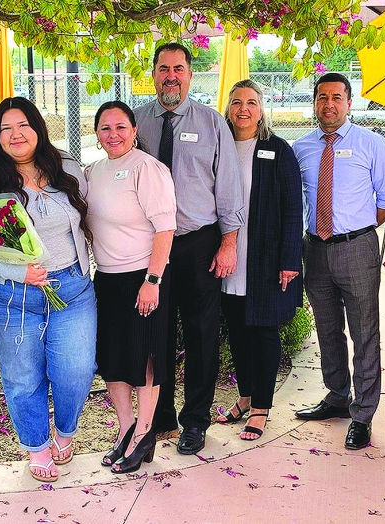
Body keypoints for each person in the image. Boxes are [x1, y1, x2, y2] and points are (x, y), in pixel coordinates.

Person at [0, 97, 97, 483]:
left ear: (37, 128)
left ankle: (65, 431)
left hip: (71, 287)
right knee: (23, 376)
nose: (15, 135)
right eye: (5, 128)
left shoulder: (67, 166)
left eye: (22, 125)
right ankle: (37, 446)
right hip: (10, 296)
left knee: (77, 369)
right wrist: (14, 272)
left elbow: (92, 217)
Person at [133, 42, 245, 456]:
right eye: (164, 68)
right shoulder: (136, 121)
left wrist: (229, 242)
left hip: (199, 243)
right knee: (155, 333)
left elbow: (229, 186)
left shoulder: (213, 123)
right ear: (154, 73)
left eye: (178, 68)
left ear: (190, 74)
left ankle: (195, 420)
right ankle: (159, 413)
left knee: (201, 335)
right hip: (149, 247)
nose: (171, 76)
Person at [292, 72, 385, 450]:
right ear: (315, 102)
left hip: (357, 248)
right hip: (314, 249)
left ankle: (363, 413)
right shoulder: (301, 147)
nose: (329, 104)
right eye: (322, 97)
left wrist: (353, 229)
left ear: (349, 102)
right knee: (327, 328)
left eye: (337, 97)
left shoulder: (372, 144)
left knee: (364, 331)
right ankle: (337, 395)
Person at [85, 101, 176, 472]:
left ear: (135, 130)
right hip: (106, 278)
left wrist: (152, 281)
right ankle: (125, 430)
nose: (113, 135)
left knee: (144, 358)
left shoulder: (148, 169)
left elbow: (165, 228)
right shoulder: (93, 172)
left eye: (121, 127)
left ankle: (144, 432)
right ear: (96, 134)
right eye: (105, 128)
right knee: (114, 359)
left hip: (144, 277)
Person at [214, 80, 303, 441]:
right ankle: (246, 395)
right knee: (237, 331)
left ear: (262, 108)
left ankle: (262, 406)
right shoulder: (218, 146)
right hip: (227, 256)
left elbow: (293, 208)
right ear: (228, 107)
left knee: (263, 331)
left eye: (251, 102)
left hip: (265, 258)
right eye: (237, 102)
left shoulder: (277, 149)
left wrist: (289, 260)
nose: (243, 109)